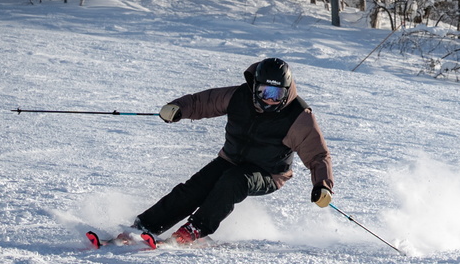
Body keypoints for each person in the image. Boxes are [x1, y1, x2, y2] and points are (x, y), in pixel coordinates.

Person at [130, 58, 334, 244]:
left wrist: (322, 185)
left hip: (268, 172)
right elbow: (203, 102)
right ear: (255, 87)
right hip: (231, 159)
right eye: (265, 92)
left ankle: (195, 229)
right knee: (194, 188)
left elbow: (318, 155)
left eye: (278, 93)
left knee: (234, 181)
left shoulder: (298, 116)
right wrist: (178, 108)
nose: (271, 99)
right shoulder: (239, 96)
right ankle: (144, 226)